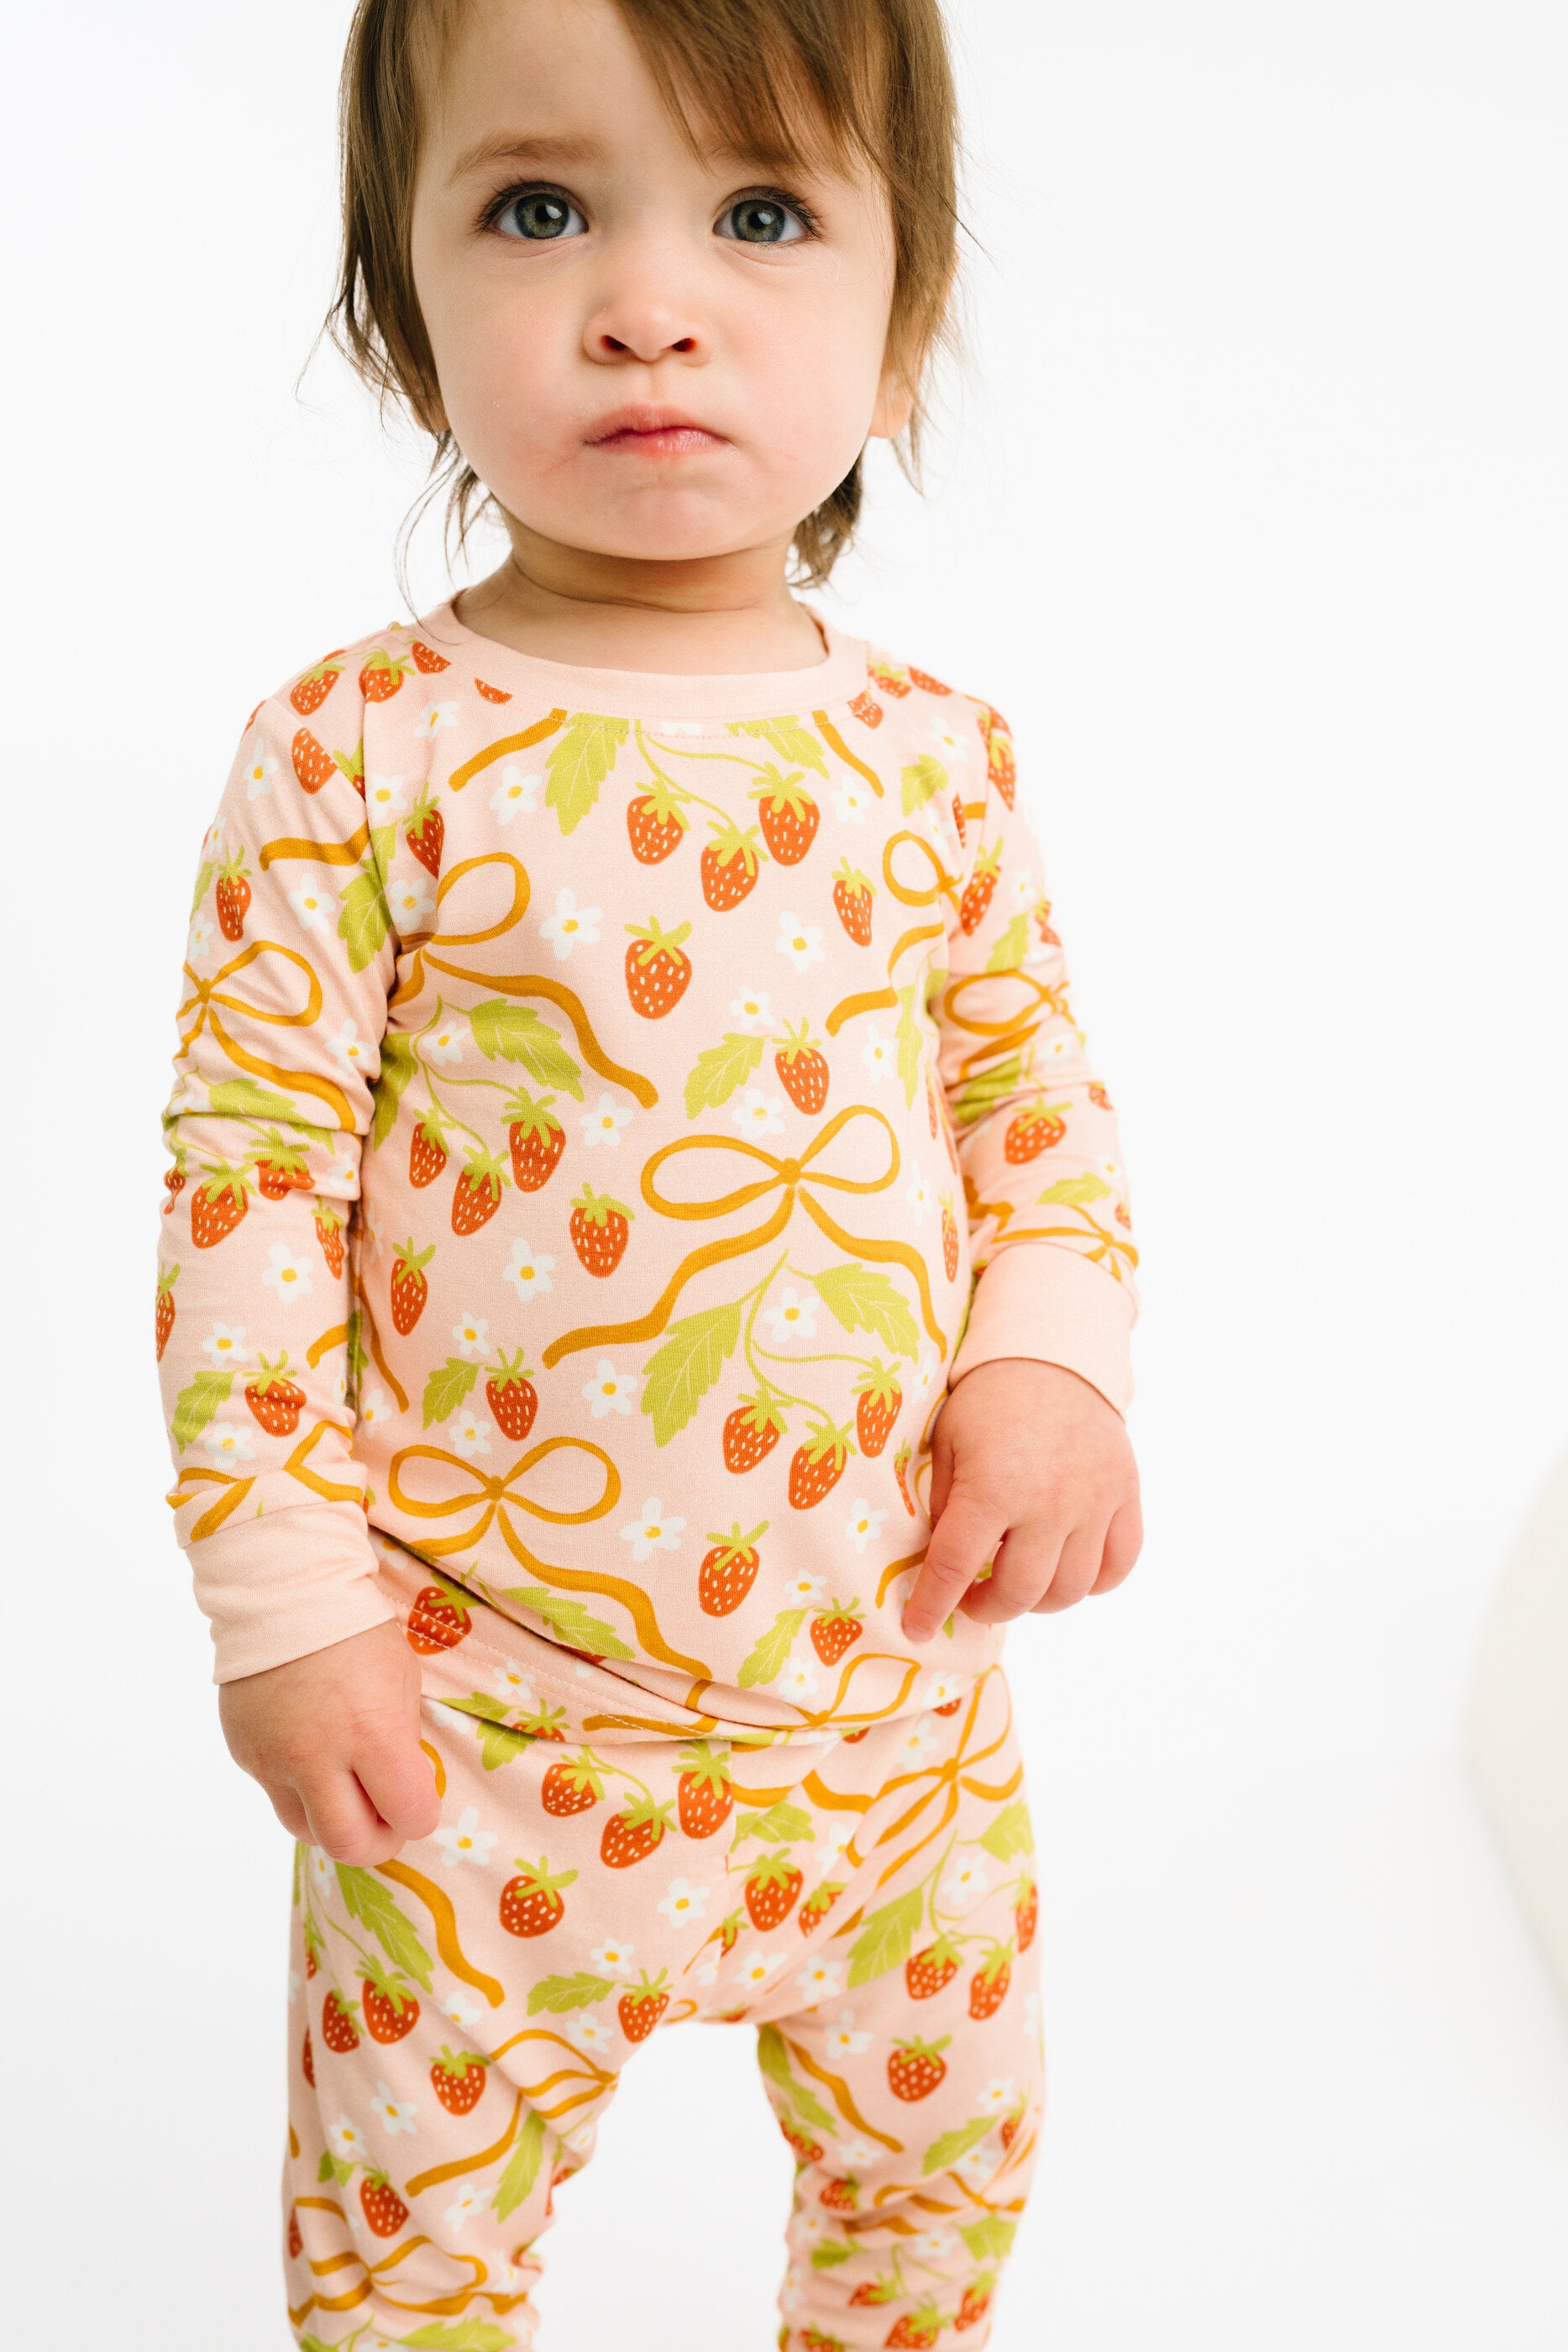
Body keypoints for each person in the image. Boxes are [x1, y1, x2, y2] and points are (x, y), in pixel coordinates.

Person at [154, 1, 1143, 2341]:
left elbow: (1033, 1108)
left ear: (903, 323)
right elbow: (249, 1183)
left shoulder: (935, 760)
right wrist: (284, 1605)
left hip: (890, 1720)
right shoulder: (359, 750)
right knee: (404, 2257)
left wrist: (1053, 1366)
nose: (648, 301)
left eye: (763, 211)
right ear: (399, 317)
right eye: (537, 208)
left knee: (941, 2188)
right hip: (469, 1737)